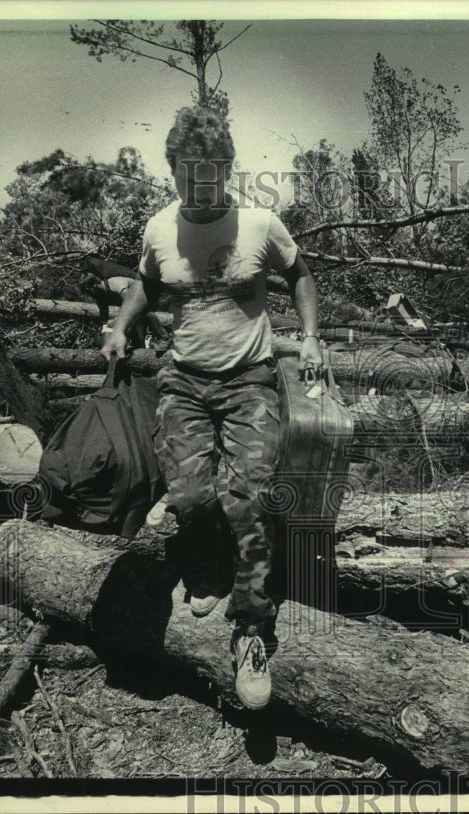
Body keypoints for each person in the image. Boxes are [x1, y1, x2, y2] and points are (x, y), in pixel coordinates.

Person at [101, 106, 323, 710]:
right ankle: (204, 566)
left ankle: (252, 629)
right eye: (186, 176)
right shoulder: (158, 230)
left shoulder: (259, 224)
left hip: (251, 379)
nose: (198, 190)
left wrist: (308, 334)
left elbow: (300, 273)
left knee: (248, 496)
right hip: (184, 383)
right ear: (171, 170)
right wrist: (123, 325)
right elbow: (147, 283)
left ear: (226, 171)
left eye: (211, 177)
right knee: (191, 494)